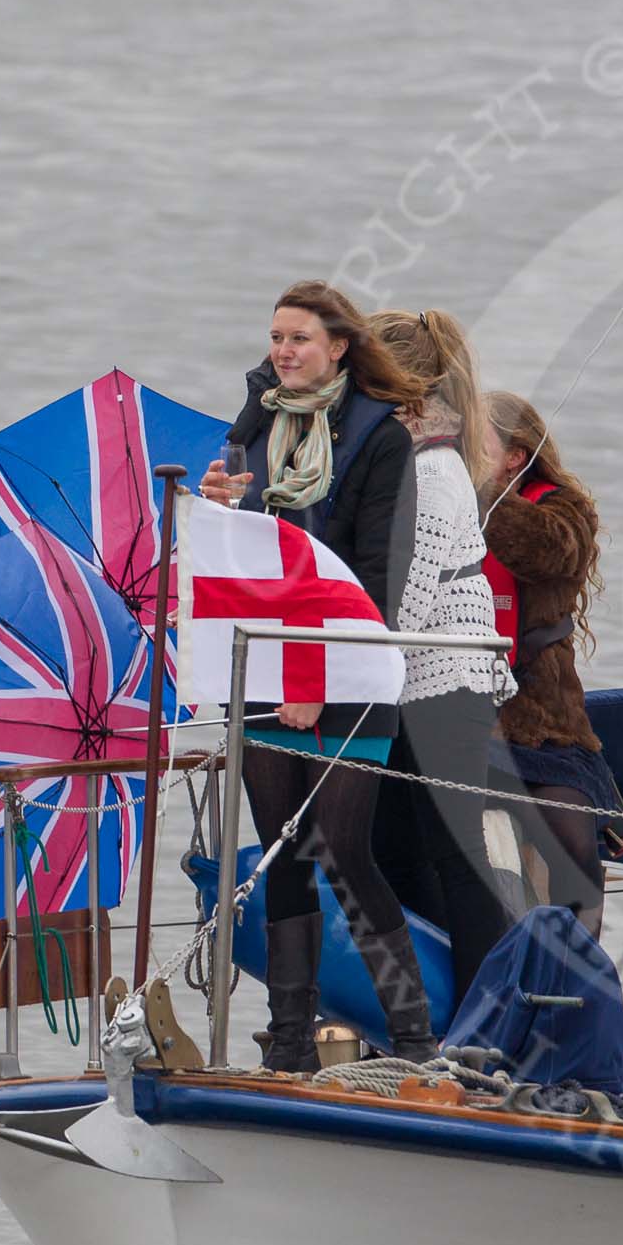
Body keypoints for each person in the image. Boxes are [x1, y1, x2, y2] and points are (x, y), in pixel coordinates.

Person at [198, 280, 438, 1070]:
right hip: (267, 660)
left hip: (353, 665)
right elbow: (242, 547)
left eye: (298, 338)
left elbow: (375, 574)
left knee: (342, 846)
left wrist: (318, 680)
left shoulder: (379, 437)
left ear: (339, 346)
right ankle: (290, 1042)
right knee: (283, 847)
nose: (282, 351)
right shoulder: (259, 416)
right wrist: (222, 504)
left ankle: (412, 1036)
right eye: (275, 336)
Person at [365, 308, 519, 994]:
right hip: (424, 679)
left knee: (455, 852)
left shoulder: (431, 469)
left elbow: (408, 597)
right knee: (401, 848)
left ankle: (487, 1011)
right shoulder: (419, 458)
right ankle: (430, 1004)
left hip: (447, 679)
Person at [481, 390, 618, 937]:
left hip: (543, 723)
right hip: (466, 715)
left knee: (575, 842)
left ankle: (578, 969)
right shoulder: (440, 502)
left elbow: (551, 551)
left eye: (477, 442)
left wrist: (482, 493)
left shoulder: (562, 507)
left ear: (515, 456)